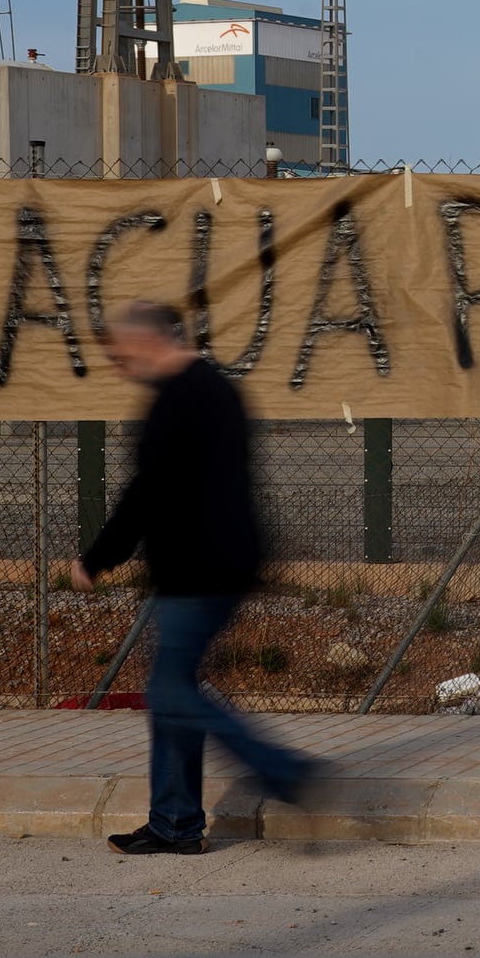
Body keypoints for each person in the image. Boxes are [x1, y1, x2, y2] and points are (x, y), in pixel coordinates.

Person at [71, 298, 321, 854]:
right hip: (220, 563)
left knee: (170, 689)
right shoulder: (217, 389)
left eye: (119, 352)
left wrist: (97, 557)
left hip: (196, 569)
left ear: (145, 342)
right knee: (172, 693)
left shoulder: (177, 401)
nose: (117, 364)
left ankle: (280, 770)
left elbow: (147, 492)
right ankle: (175, 824)